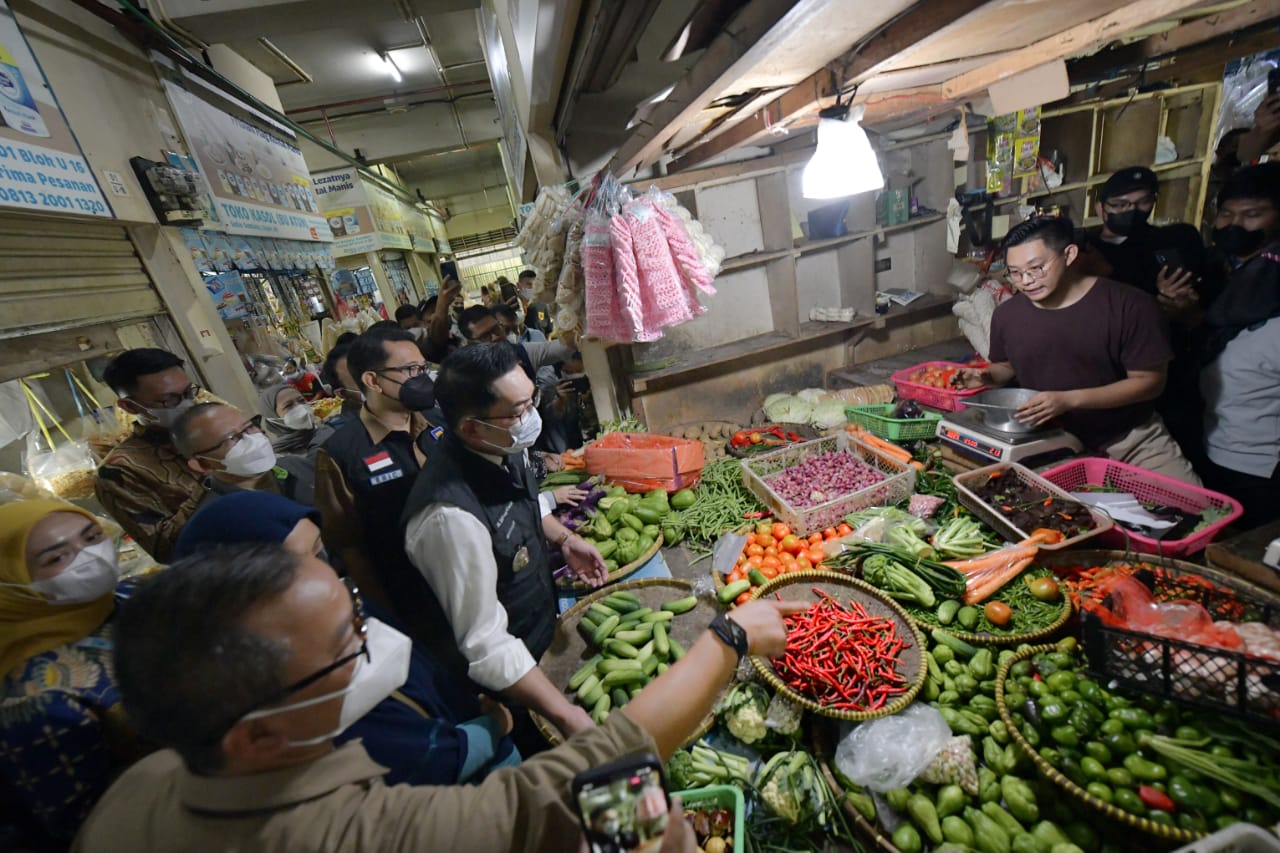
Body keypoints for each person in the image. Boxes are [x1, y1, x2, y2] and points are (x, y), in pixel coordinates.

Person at [73, 540, 796, 852]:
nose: (370, 641)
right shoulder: (367, 834)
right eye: (345, 647)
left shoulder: (140, 784)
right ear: (255, 736)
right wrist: (726, 639)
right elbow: (575, 783)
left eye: (356, 611)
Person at [173, 491, 520, 785]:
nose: (326, 575)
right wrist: (491, 727)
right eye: (301, 565)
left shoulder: (341, 599)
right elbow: (409, 758)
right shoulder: (293, 686)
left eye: (320, 552)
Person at [402, 344, 606, 748]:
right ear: (471, 427)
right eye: (518, 411)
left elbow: (523, 501)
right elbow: (486, 644)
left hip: (540, 634)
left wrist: (563, 538)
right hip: (509, 687)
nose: (531, 418)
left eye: (531, 402)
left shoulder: (503, 444)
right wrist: (564, 714)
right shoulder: (448, 519)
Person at [957, 216, 1200, 483]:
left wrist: (1068, 400)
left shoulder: (1130, 306)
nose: (1025, 281)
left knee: (1193, 512)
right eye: (1014, 272)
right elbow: (1006, 367)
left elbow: (1150, 383)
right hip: (1051, 438)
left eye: (1036, 268)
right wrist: (985, 376)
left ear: (1069, 254)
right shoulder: (1007, 315)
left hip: (1130, 437)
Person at [0, 499, 148, 847]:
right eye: (56, 557)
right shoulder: (35, 700)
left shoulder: (130, 594)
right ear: (10, 585)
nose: (91, 556)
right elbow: (91, 826)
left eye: (92, 536)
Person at [314, 326, 442, 631]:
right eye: (410, 369)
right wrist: (386, 617)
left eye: (423, 367)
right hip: (413, 599)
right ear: (373, 380)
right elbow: (348, 546)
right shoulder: (341, 453)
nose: (421, 377)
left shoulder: (440, 422)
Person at [1199, 163, 1280, 529]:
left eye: (1252, 215)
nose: (1235, 225)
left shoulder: (1268, 280)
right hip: (1212, 439)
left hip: (1261, 462)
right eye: (1227, 214)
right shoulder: (1221, 273)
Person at [94, 348, 205, 562]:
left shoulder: (215, 425)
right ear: (129, 406)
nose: (186, 404)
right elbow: (165, 549)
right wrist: (212, 483)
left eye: (188, 393)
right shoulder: (121, 469)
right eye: (168, 400)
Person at [1082, 166, 1207, 307]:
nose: (1132, 210)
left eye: (1143, 202)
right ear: (1100, 208)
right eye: (1120, 204)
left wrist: (1170, 297)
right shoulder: (1084, 246)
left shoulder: (1171, 240)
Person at [173, 402, 314, 505]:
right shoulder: (221, 519)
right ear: (202, 464)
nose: (251, 439)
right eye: (232, 438)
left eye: (249, 427)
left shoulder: (296, 465)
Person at [261, 383, 336, 458]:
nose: (300, 407)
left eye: (301, 400)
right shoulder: (279, 457)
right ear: (273, 417)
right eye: (288, 406)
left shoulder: (324, 430)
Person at [519, 269, 553, 337]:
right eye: (528, 284)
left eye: (534, 284)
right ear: (518, 285)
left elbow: (548, 331)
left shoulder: (541, 305)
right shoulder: (516, 307)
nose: (532, 287)